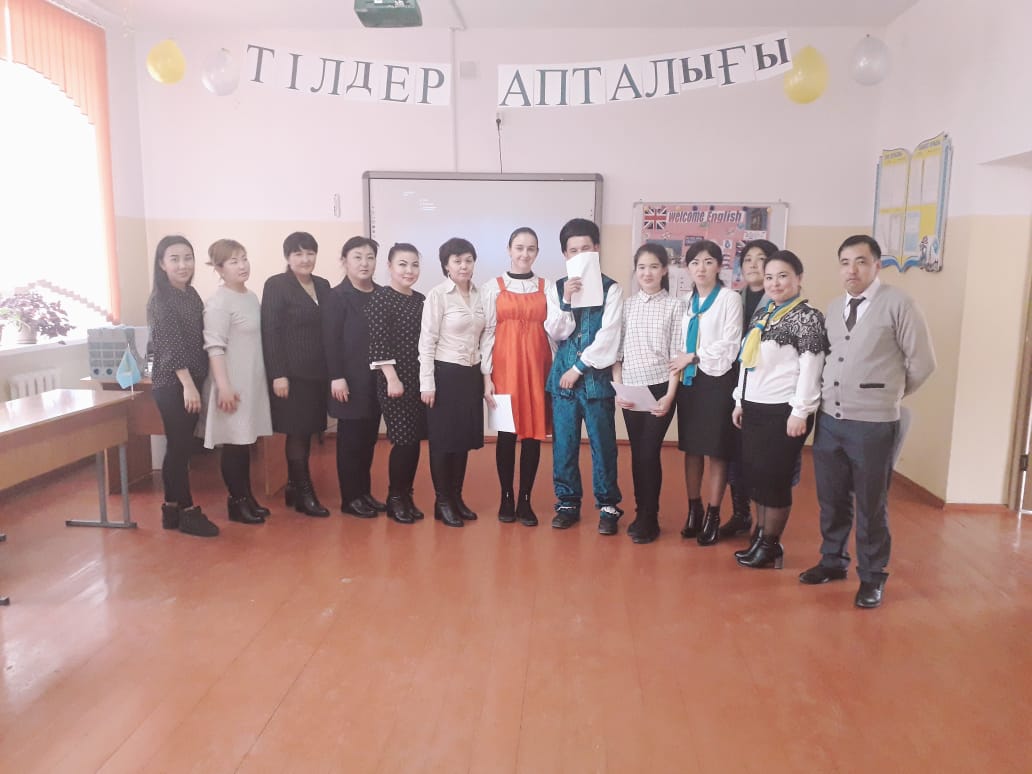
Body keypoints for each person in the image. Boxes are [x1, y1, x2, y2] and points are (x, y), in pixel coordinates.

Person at [801, 235, 935, 609]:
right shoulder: (834, 307)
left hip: (873, 425)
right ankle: (832, 560)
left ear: (877, 265)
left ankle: (873, 576)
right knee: (831, 499)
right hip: (830, 420)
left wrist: (889, 395)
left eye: (861, 262)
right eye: (845, 262)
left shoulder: (899, 304)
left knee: (871, 504)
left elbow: (923, 363)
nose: (852, 270)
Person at [732, 250, 827, 569]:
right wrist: (739, 400)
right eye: (769, 277)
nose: (775, 283)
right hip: (755, 406)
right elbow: (748, 363)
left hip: (784, 411)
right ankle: (760, 537)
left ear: (799, 278)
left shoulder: (807, 317)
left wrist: (801, 411)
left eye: (783, 276)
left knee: (775, 479)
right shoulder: (764, 314)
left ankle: (771, 545)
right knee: (757, 477)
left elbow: (812, 366)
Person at [544, 218, 624, 534]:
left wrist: (578, 369)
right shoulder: (556, 288)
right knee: (564, 445)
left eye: (586, 248)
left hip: (595, 381)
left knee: (603, 444)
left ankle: (608, 505)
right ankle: (567, 503)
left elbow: (609, 336)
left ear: (597, 249)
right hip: (562, 384)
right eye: (573, 250)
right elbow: (556, 332)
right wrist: (566, 300)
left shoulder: (611, 288)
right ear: (565, 254)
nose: (580, 254)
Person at [670, 240, 743, 546]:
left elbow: (731, 343)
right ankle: (694, 509)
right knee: (692, 449)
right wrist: (683, 361)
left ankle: (713, 513)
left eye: (708, 261)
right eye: (695, 262)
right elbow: (676, 341)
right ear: (687, 268)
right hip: (690, 382)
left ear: (719, 266)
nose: (701, 268)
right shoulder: (684, 302)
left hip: (718, 381)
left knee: (716, 449)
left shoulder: (729, 299)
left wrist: (693, 355)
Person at [146, 235, 219, 537]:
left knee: (179, 446)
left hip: (192, 380)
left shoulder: (190, 294)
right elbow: (172, 347)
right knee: (180, 447)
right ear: (162, 264)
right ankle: (187, 511)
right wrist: (188, 386)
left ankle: (171, 509)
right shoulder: (161, 300)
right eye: (174, 259)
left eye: (187, 258)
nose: (182, 265)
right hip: (174, 383)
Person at [481, 227, 553, 527]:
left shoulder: (548, 288)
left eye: (531, 248)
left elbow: (554, 333)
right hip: (504, 369)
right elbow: (487, 333)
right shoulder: (492, 287)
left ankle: (525, 499)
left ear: (537, 252)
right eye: (519, 247)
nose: (525, 254)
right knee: (506, 435)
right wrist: (486, 376)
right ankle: (506, 497)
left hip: (537, 369)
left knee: (533, 436)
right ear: (509, 249)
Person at [198, 239, 273, 525]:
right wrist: (224, 387)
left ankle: (247, 497)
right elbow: (214, 347)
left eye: (244, 258)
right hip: (231, 384)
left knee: (245, 442)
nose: (242, 265)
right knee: (233, 443)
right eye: (233, 261)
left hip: (251, 382)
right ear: (219, 269)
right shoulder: (219, 303)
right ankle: (236, 501)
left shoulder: (251, 297)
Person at [612, 243, 683, 544]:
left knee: (648, 452)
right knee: (637, 452)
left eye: (654, 266)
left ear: (664, 270)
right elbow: (617, 353)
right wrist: (618, 388)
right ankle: (641, 512)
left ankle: (650, 517)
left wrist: (670, 395)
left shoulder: (675, 306)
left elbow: (677, 355)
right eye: (641, 267)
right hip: (631, 388)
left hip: (660, 388)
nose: (647, 273)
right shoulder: (627, 306)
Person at [261, 231, 332, 518]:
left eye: (310, 253)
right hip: (291, 376)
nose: (305, 259)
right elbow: (270, 332)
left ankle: (293, 486)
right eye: (298, 253)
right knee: (297, 433)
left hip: (317, 374)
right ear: (287, 257)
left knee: (309, 430)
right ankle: (304, 492)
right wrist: (278, 373)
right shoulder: (277, 285)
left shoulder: (323, 285)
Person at [419, 237, 487, 528]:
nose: (463, 266)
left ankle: (457, 498)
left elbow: (486, 337)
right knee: (443, 441)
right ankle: (442, 501)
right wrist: (427, 383)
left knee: (462, 440)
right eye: (457, 260)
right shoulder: (437, 295)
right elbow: (427, 341)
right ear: (446, 265)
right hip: (444, 374)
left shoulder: (481, 295)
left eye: (468, 260)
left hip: (471, 374)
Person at [324, 236, 386, 518]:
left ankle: (364, 493)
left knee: (369, 440)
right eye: (357, 257)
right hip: (348, 381)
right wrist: (336, 376)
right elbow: (330, 341)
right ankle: (350, 499)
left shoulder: (381, 294)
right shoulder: (337, 297)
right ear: (344, 261)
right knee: (350, 442)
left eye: (370, 257)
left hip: (376, 380)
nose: (364, 263)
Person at [366, 243, 427, 524]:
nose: (409, 270)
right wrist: (392, 378)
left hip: (419, 379)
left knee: (414, 441)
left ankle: (406, 495)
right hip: (395, 381)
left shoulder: (420, 300)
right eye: (402, 264)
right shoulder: (381, 299)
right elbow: (378, 343)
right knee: (403, 441)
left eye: (414, 264)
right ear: (389, 267)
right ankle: (394, 498)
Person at [721, 239, 777, 539]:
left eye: (761, 258)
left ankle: (763, 524)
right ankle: (740, 514)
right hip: (733, 386)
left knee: (761, 458)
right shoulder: (734, 299)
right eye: (748, 259)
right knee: (735, 454)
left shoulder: (779, 302)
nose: (754, 264)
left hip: (765, 390)